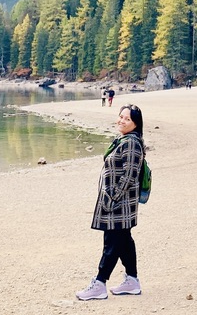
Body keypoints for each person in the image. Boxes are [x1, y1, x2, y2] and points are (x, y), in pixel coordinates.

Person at [77, 105, 146, 300]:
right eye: (121, 116)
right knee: (123, 241)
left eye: (127, 119)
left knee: (112, 243)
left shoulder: (132, 143)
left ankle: (99, 283)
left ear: (135, 123)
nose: (122, 121)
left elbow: (130, 176)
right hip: (118, 202)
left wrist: (113, 197)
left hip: (119, 204)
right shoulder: (123, 139)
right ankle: (132, 281)